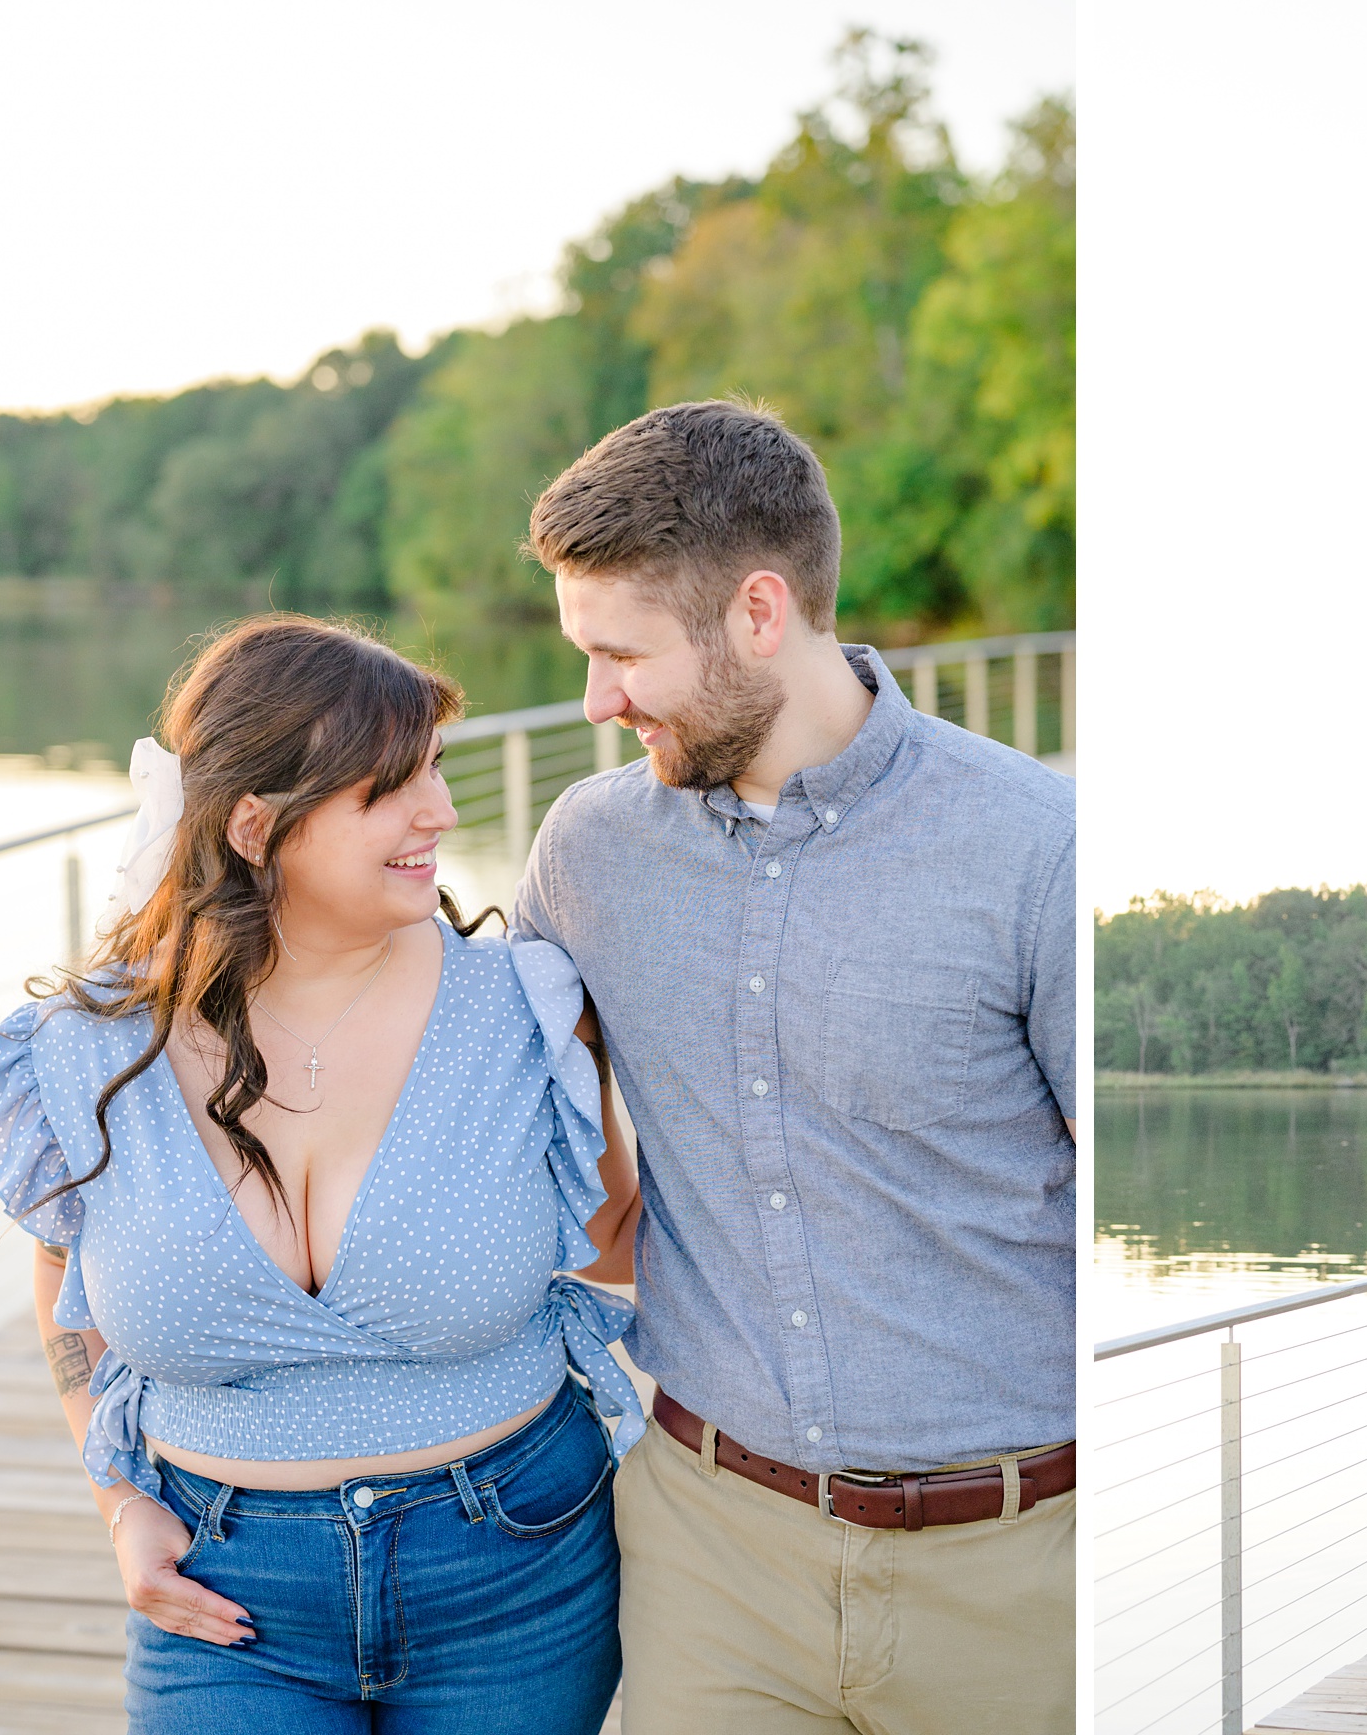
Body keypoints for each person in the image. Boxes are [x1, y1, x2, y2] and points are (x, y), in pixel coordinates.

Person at [0, 616, 645, 1734]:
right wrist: (117, 1498)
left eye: (441, 771)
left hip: (517, 1568)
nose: (444, 814)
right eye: (389, 789)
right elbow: (63, 1277)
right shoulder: (96, 1044)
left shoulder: (528, 1010)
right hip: (221, 1591)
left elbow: (619, 1236)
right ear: (257, 825)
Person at [513, 399, 1077, 1734]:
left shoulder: (1039, 849)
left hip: (1022, 1572)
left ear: (759, 613)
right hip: (712, 1549)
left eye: (619, 655)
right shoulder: (588, 852)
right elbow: (467, 1088)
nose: (595, 702)